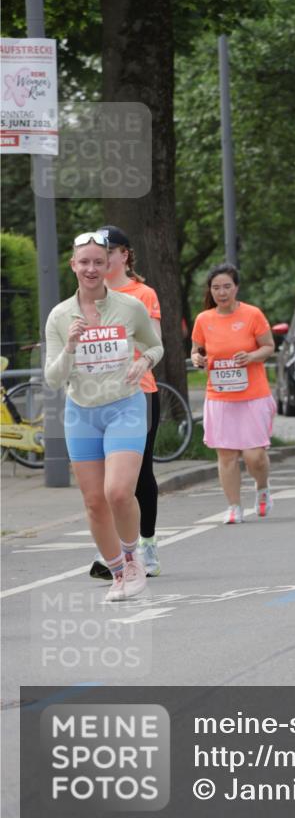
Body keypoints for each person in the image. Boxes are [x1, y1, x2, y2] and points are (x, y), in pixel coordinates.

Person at [44, 231, 163, 601]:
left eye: (99, 261)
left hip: (125, 406)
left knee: (117, 491)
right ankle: (116, 572)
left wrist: (143, 360)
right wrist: (70, 346)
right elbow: (53, 378)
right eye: (85, 262)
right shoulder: (60, 316)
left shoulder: (130, 307)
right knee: (94, 501)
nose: (92, 268)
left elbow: (155, 345)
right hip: (82, 412)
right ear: (73, 266)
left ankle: (133, 558)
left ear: (110, 264)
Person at [88, 225, 162, 580]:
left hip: (138, 394)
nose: (102, 258)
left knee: (138, 475)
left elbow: (155, 343)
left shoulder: (142, 294)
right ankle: (114, 550)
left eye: (108, 251)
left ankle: (145, 545)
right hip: (96, 397)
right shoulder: (89, 295)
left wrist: (140, 361)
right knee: (104, 481)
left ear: (124, 255)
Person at [191, 263, 276, 523]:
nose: (222, 292)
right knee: (226, 454)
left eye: (227, 286)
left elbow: (269, 346)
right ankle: (234, 507)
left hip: (253, 395)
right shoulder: (204, 319)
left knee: (254, 457)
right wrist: (198, 359)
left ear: (236, 287)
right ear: (210, 291)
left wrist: (251, 356)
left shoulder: (252, 314)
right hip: (219, 396)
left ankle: (262, 489)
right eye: (216, 287)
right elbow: (196, 351)